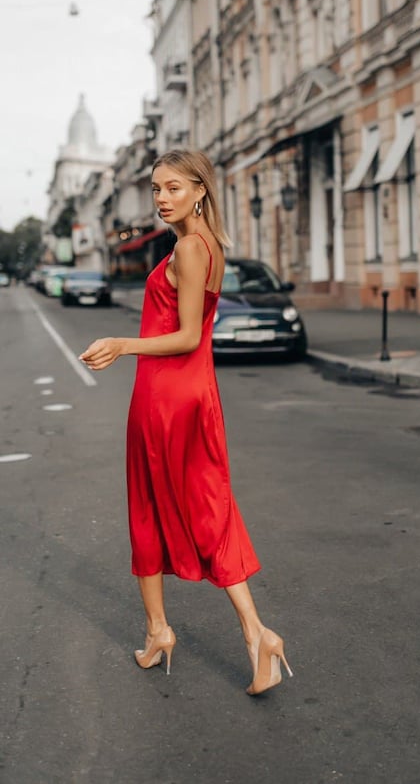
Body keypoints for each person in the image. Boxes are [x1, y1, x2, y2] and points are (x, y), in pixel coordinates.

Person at [80, 149, 292, 696]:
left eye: (172, 187)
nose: (161, 198)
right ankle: (242, 634)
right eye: (155, 189)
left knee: (152, 509)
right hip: (192, 394)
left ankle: (173, 632)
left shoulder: (191, 249)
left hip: (168, 396)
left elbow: (190, 335)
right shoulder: (209, 246)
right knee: (205, 509)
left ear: (200, 190)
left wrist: (123, 343)